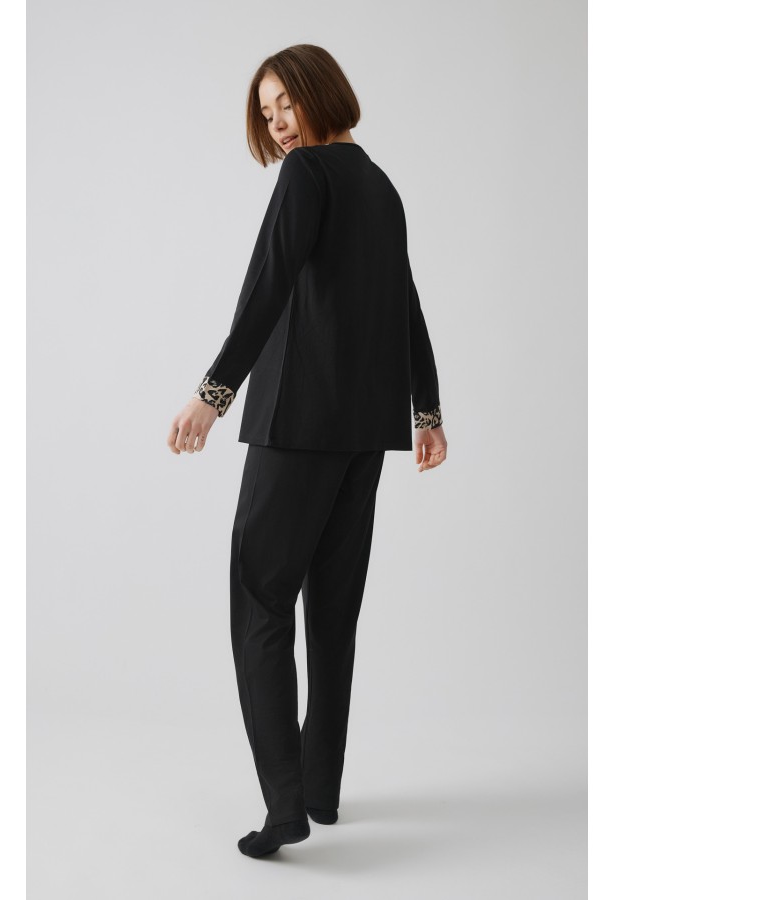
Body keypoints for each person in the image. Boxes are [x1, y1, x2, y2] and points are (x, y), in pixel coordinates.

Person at [167, 44, 447, 857]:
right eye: (266, 112)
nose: (278, 123)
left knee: (259, 602)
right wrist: (426, 409)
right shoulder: (381, 185)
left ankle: (285, 806)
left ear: (321, 92)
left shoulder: (307, 175)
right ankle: (321, 787)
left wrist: (213, 393)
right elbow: (406, 303)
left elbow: (268, 286)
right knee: (331, 613)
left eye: (285, 102)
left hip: (296, 426)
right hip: (364, 433)